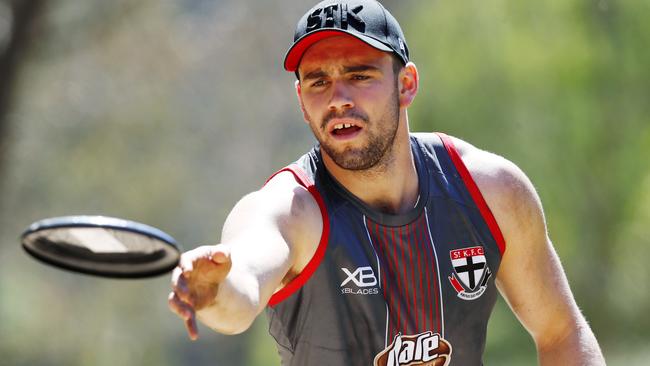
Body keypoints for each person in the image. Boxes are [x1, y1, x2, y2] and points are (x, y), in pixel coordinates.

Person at [168, 0, 606, 364]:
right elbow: (241, 291)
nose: (338, 98)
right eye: (319, 82)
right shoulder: (289, 208)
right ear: (301, 103)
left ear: (407, 84)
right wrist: (213, 290)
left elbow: (561, 331)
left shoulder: (490, 190)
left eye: (359, 76)